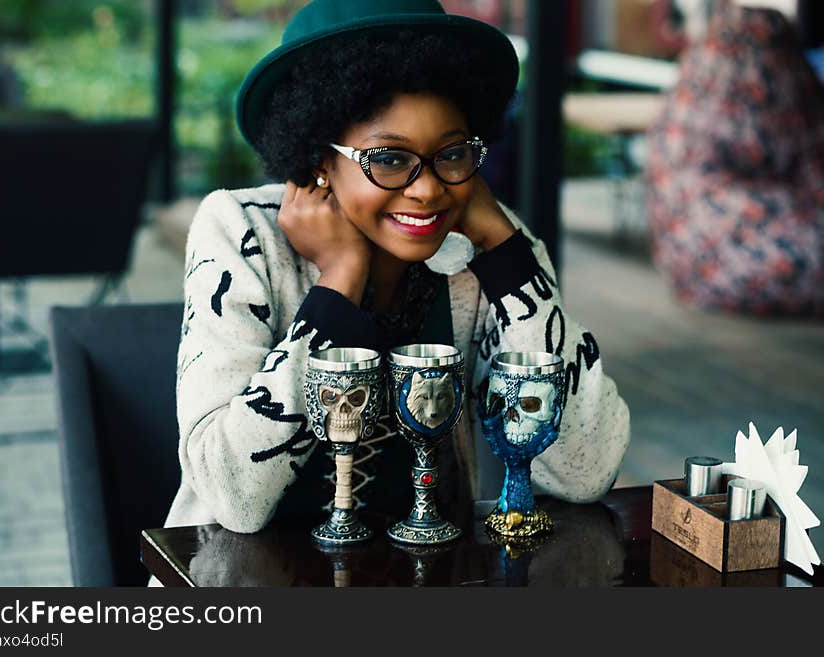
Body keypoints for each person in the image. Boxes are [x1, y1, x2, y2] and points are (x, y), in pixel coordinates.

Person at [163, 0, 631, 539]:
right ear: (319, 158)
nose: (428, 188)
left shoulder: (491, 250)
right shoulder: (242, 233)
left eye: (451, 154)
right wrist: (339, 283)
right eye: (388, 159)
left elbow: (585, 472)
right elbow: (233, 497)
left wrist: (507, 256)